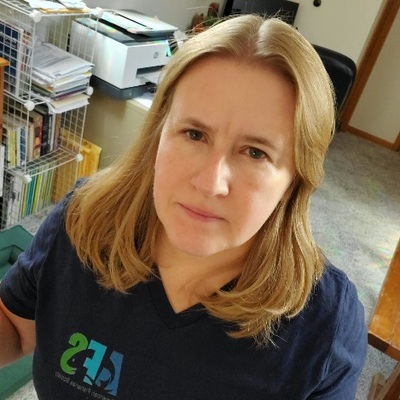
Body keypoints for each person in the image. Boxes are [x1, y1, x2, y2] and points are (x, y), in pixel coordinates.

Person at [0, 14, 367, 399]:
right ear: (159, 132)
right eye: (194, 134)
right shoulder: (85, 220)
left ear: (296, 177)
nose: (210, 182)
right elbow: (16, 327)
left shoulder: (326, 325)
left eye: (255, 152)